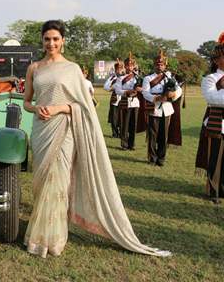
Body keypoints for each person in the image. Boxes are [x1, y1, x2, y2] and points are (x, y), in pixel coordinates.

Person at [22, 20, 170, 258]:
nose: (51, 43)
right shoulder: (34, 68)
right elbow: (26, 101)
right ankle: (38, 234)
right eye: (47, 38)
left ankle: (53, 239)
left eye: (56, 39)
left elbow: (85, 106)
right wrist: (35, 108)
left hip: (65, 129)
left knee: (58, 181)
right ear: (42, 40)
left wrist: (60, 108)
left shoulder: (71, 69)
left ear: (63, 41)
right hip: (41, 131)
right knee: (41, 183)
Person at [196, 32, 224, 203]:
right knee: (215, 158)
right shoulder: (210, 79)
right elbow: (212, 99)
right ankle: (213, 190)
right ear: (216, 60)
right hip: (217, 123)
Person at [141, 50, 182, 166]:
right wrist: (157, 98)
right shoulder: (148, 79)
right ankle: (152, 158)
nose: (159, 66)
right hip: (153, 108)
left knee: (164, 136)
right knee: (152, 135)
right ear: (154, 65)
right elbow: (145, 93)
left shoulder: (169, 76)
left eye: (162, 64)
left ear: (165, 65)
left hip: (167, 109)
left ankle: (161, 158)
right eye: (157, 64)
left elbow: (179, 89)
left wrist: (173, 95)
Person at [114, 52, 142, 150]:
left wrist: (139, 89)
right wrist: (127, 92)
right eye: (127, 65)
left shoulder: (138, 77)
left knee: (133, 125)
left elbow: (143, 89)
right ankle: (124, 144)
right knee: (124, 124)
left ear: (134, 66)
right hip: (125, 101)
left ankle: (132, 144)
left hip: (135, 103)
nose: (129, 67)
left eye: (131, 65)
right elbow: (117, 90)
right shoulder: (120, 78)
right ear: (125, 66)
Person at [104, 59, 124, 138]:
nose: (119, 70)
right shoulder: (112, 78)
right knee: (114, 118)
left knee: (122, 117)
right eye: (117, 68)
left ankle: (123, 132)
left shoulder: (125, 77)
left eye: (120, 68)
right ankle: (115, 133)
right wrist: (113, 88)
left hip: (124, 99)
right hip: (115, 99)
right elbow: (106, 87)